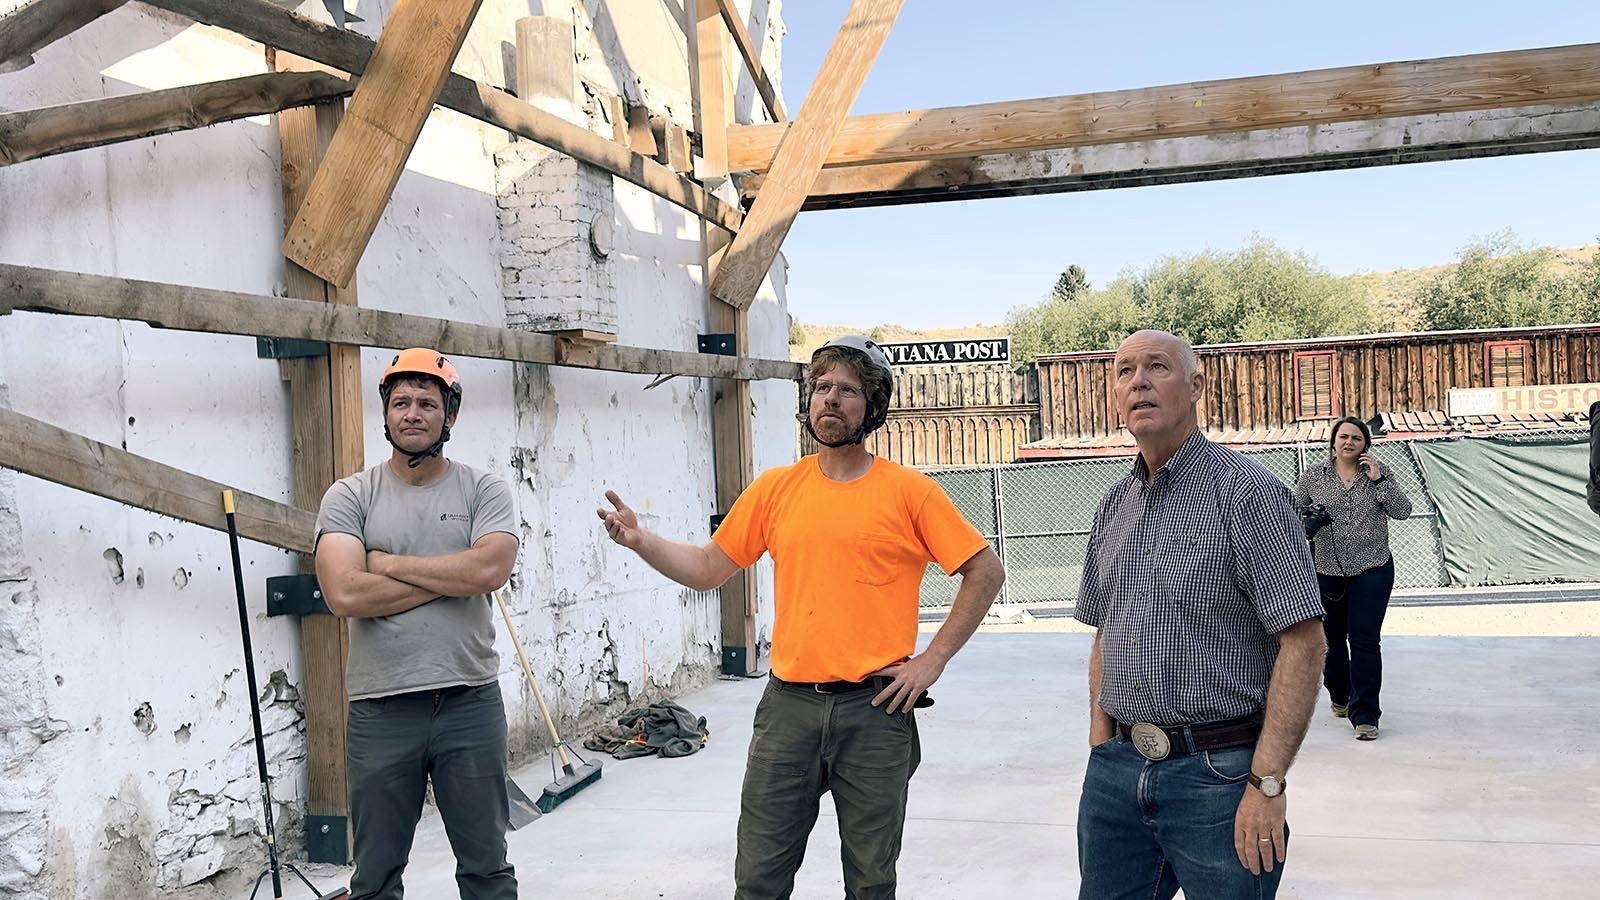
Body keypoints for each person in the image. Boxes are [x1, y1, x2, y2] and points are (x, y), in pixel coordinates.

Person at [597, 335, 1004, 900]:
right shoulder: (775, 489)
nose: (830, 399)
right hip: (788, 710)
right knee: (759, 878)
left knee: (871, 881)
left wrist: (932, 660)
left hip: (875, 711)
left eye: (848, 391)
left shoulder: (910, 492)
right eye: (822, 387)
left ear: (874, 407)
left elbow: (985, 571)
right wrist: (642, 542)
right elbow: (709, 567)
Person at [1074, 330, 1326, 900]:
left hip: (1220, 779)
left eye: (1157, 367)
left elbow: (1303, 644)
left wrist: (1267, 783)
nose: (1138, 381)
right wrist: (1100, 748)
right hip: (1117, 777)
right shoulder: (1115, 504)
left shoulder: (1248, 493)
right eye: (1124, 371)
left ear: (1195, 386)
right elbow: (1104, 634)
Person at [314, 348, 520, 900]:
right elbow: (343, 592)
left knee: (487, 869)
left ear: (448, 417)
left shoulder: (484, 489)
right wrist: (452, 575)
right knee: (376, 877)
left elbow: (491, 568)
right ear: (384, 415)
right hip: (382, 709)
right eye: (400, 402)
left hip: (469, 703)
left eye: (427, 403)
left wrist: (386, 564)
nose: (412, 413)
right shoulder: (349, 495)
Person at [1294, 415, 1413, 742]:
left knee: (1364, 640)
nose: (1349, 442)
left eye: (1356, 438)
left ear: (1365, 445)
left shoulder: (1379, 474)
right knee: (1329, 643)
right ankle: (1341, 694)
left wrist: (1379, 481)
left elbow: (1403, 511)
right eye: (1343, 437)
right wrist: (1308, 519)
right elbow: (1290, 516)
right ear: (1333, 441)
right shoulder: (1313, 477)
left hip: (1372, 569)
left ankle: (1365, 715)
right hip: (1326, 572)